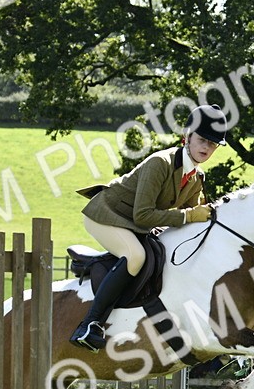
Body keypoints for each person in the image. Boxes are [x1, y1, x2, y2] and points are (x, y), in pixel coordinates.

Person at [70, 104, 229, 351]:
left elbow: (190, 223)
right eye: (202, 140)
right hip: (106, 214)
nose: (206, 148)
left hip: (135, 224)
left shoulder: (197, 178)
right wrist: (189, 216)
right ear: (186, 136)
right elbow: (144, 215)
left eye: (213, 144)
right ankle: (90, 325)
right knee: (136, 256)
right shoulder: (160, 163)